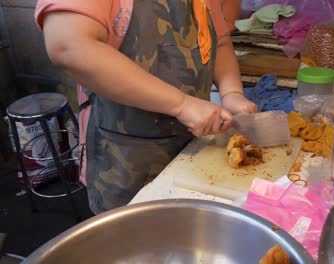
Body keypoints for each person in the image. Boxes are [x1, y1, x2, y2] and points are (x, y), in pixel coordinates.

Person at [34, 0, 258, 214]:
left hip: (192, 149)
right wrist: (181, 104)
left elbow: (219, 41)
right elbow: (68, 45)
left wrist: (232, 93)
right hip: (125, 156)